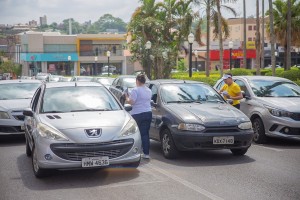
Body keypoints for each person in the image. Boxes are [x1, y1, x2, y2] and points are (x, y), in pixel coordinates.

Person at [125, 74, 152, 159]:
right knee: (146, 133)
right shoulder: (149, 90)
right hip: (148, 113)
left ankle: (140, 152)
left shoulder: (135, 90)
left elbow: (131, 102)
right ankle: (146, 152)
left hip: (138, 114)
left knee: (138, 134)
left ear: (137, 81)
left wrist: (126, 97)